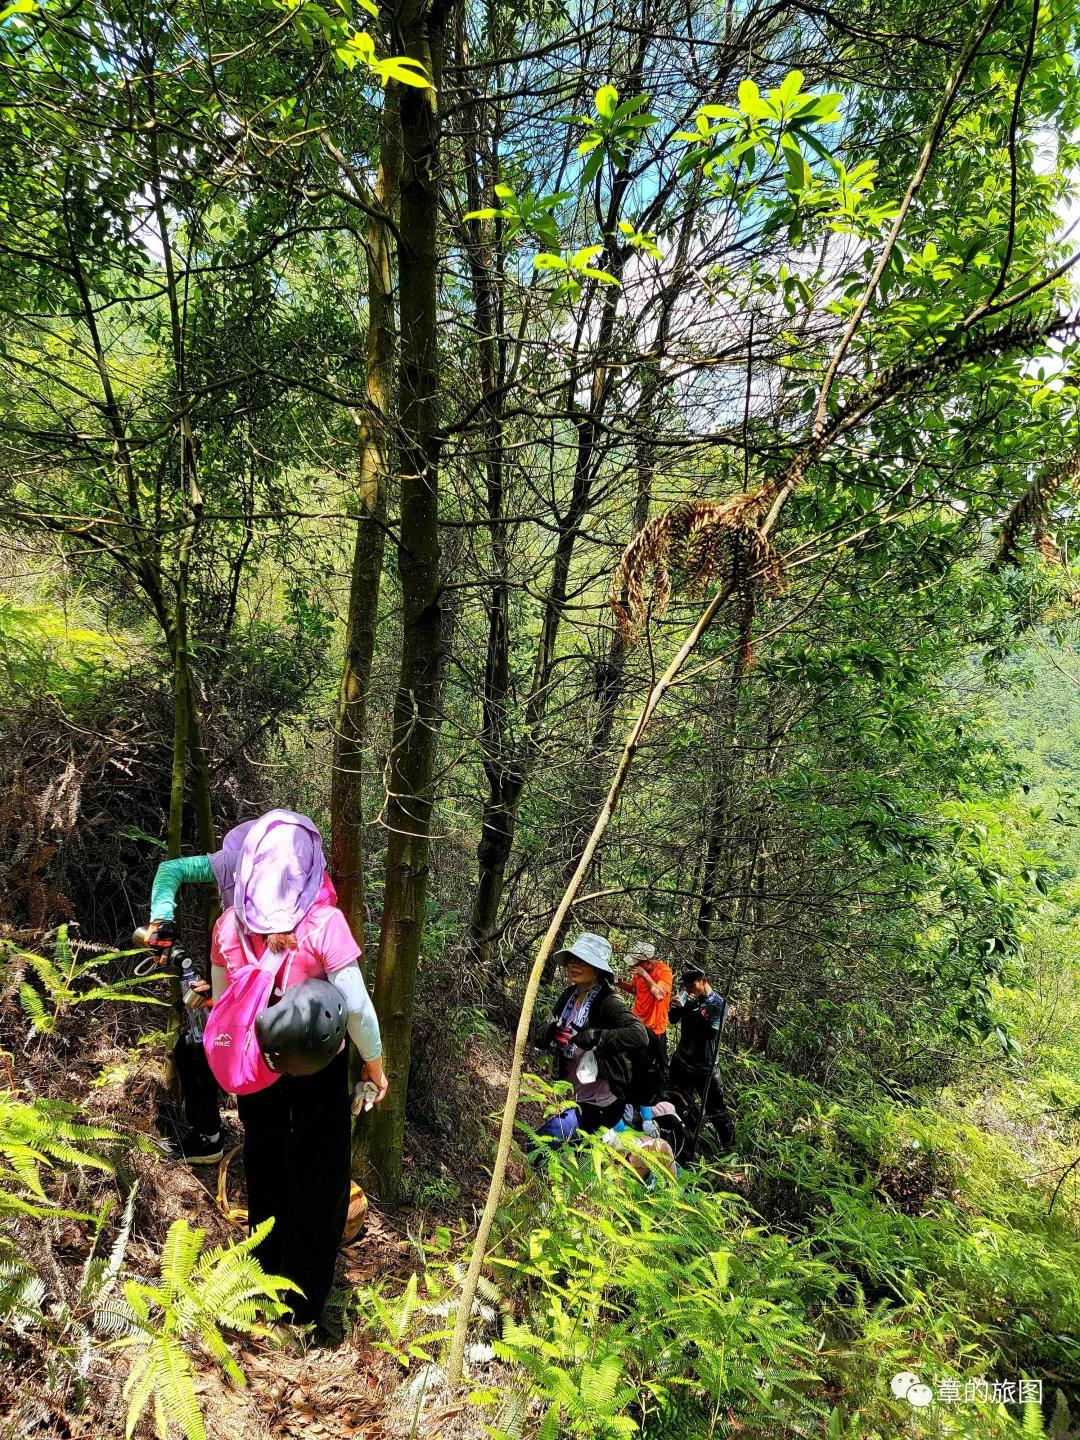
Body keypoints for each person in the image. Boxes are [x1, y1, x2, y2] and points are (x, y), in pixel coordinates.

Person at [206, 808, 387, 1327]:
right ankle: (302, 1309)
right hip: (318, 1070)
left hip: (257, 1069)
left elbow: (223, 1008)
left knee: (265, 1168)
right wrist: (374, 1066)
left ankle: (261, 1285)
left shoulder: (228, 926)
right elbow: (356, 1009)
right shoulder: (324, 923)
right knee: (320, 1177)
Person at [539, 932, 648, 1133]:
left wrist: (596, 1037)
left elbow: (639, 1034)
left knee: (541, 1140)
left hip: (600, 1103)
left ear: (597, 969)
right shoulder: (569, 995)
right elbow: (541, 1032)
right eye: (571, 960)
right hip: (572, 1094)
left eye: (582, 961)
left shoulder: (609, 1001)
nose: (573, 965)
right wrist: (551, 1032)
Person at [668, 965, 734, 1158]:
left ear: (703, 981)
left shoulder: (718, 1004)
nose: (689, 988)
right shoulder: (687, 998)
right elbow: (672, 1019)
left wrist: (690, 1009)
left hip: (705, 1067)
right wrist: (676, 1007)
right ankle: (682, 1141)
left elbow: (710, 1033)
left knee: (716, 1109)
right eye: (687, 985)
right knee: (677, 1099)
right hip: (682, 1061)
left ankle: (729, 1150)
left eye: (692, 984)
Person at [616, 940, 673, 1089]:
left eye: (637, 963)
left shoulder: (664, 971)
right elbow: (635, 990)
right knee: (635, 1061)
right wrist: (621, 984)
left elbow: (659, 995)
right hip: (637, 1023)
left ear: (647, 961)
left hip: (654, 1027)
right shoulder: (639, 972)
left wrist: (646, 976)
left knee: (656, 1065)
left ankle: (660, 1093)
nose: (634, 966)